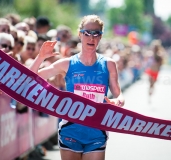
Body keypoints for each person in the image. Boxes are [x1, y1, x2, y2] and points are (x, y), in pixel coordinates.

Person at [29, 14, 124, 160]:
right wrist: (40, 57)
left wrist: (118, 101)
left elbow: (118, 94)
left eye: (96, 33)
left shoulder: (108, 64)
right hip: (71, 130)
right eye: (87, 33)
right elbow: (31, 76)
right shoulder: (67, 63)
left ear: (100, 37)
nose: (91, 37)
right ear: (80, 34)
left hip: (97, 131)